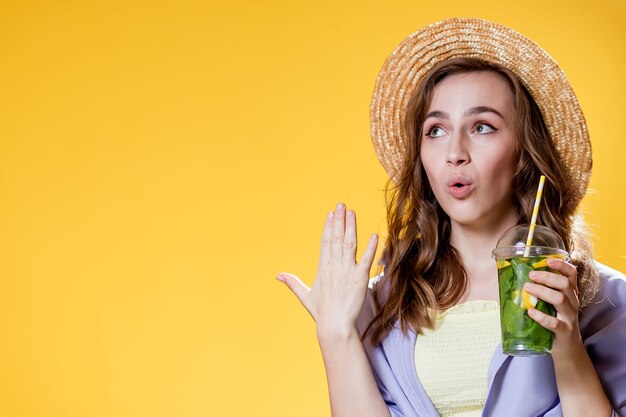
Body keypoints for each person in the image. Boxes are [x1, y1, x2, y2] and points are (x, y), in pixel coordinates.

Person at [276, 18, 626, 417]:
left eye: (482, 126)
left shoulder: (608, 301)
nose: (454, 152)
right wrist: (336, 334)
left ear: (525, 152)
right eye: (436, 130)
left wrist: (568, 349)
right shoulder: (386, 303)